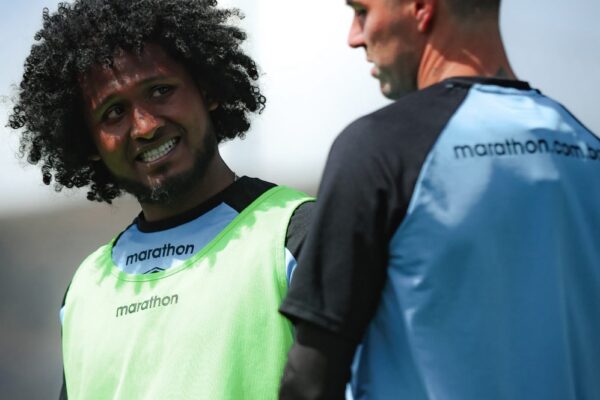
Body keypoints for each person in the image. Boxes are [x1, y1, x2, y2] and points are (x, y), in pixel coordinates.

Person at [279, 0, 600, 399]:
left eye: (362, 12)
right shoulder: (586, 146)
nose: (354, 38)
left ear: (420, 8)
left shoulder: (381, 149)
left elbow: (310, 380)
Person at [8, 0, 313, 399]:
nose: (145, 126)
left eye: (160, 91)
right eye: (113, 113)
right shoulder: (84, 290)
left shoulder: (297, 236)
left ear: (206, 90)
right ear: (89, 143)